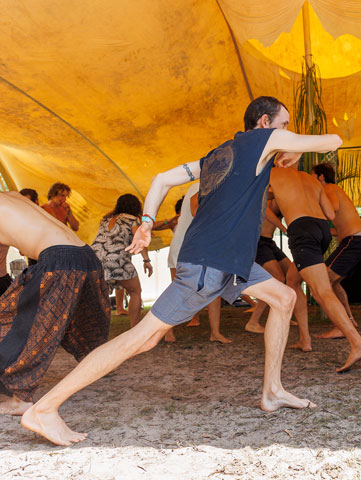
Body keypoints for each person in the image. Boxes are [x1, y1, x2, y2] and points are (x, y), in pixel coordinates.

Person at [20, 96, 340, 446]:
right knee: (143, 338)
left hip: (230, 260)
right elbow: (333, 141)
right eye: (284, 125)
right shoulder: (263, 139)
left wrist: (146, 224)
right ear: (264, 123)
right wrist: (292, 149)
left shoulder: (221, 154)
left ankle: (273, 390)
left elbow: (161, 179)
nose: (287, 132)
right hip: (210, 262)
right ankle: (45, 408)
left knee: (283, 297)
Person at [0, 192, 109, 416]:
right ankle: (98, 365)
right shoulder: (12, 197)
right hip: (86, 257)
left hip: (59, 261)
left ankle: (21, 400)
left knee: (28, 327)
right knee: (79, 329)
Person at [269, 163, 361, 369]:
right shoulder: (311, 180)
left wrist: (282, 222)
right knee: (292, 280)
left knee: (321, 290)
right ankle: (305, 339)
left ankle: (357, 343)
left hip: (302, 229)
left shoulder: (271, 174)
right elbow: (331, 215)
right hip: (321, 229)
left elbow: (262, 206)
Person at [311, 162, 361, 339]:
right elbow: (337, 228)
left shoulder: (329, 188)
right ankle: (349, 320)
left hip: (354, 242)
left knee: (324, 282)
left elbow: (334, 208)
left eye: (313, 175)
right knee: (333, 283)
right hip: (357, 241)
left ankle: (340, 326)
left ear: (321, 177)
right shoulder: (334, 189)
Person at [164, 184, 230, 344]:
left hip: (201, 243)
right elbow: (196, 210)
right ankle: (166, 330)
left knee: (214, 288)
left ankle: (215, 332)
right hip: (185, 244)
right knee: (177, 289)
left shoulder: (213, 183)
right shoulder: (206, 183)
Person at [244, 197, 308, 350]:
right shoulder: (268, 193)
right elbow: (265, 212)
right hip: (258, 242)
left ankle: (283, 315)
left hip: (269, 242)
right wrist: (285, 229)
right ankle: (253, 322)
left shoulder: (286, 197)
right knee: (276, 279)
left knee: (292, 274)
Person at [90, 194, 153, 329]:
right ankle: (134, 330)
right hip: (117, 260)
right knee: (135, 291)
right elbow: (140, 239)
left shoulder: (106, 219)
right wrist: (146, 260)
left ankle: (97, 331)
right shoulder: (133, 219)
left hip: (95, 260)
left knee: (102, 297)